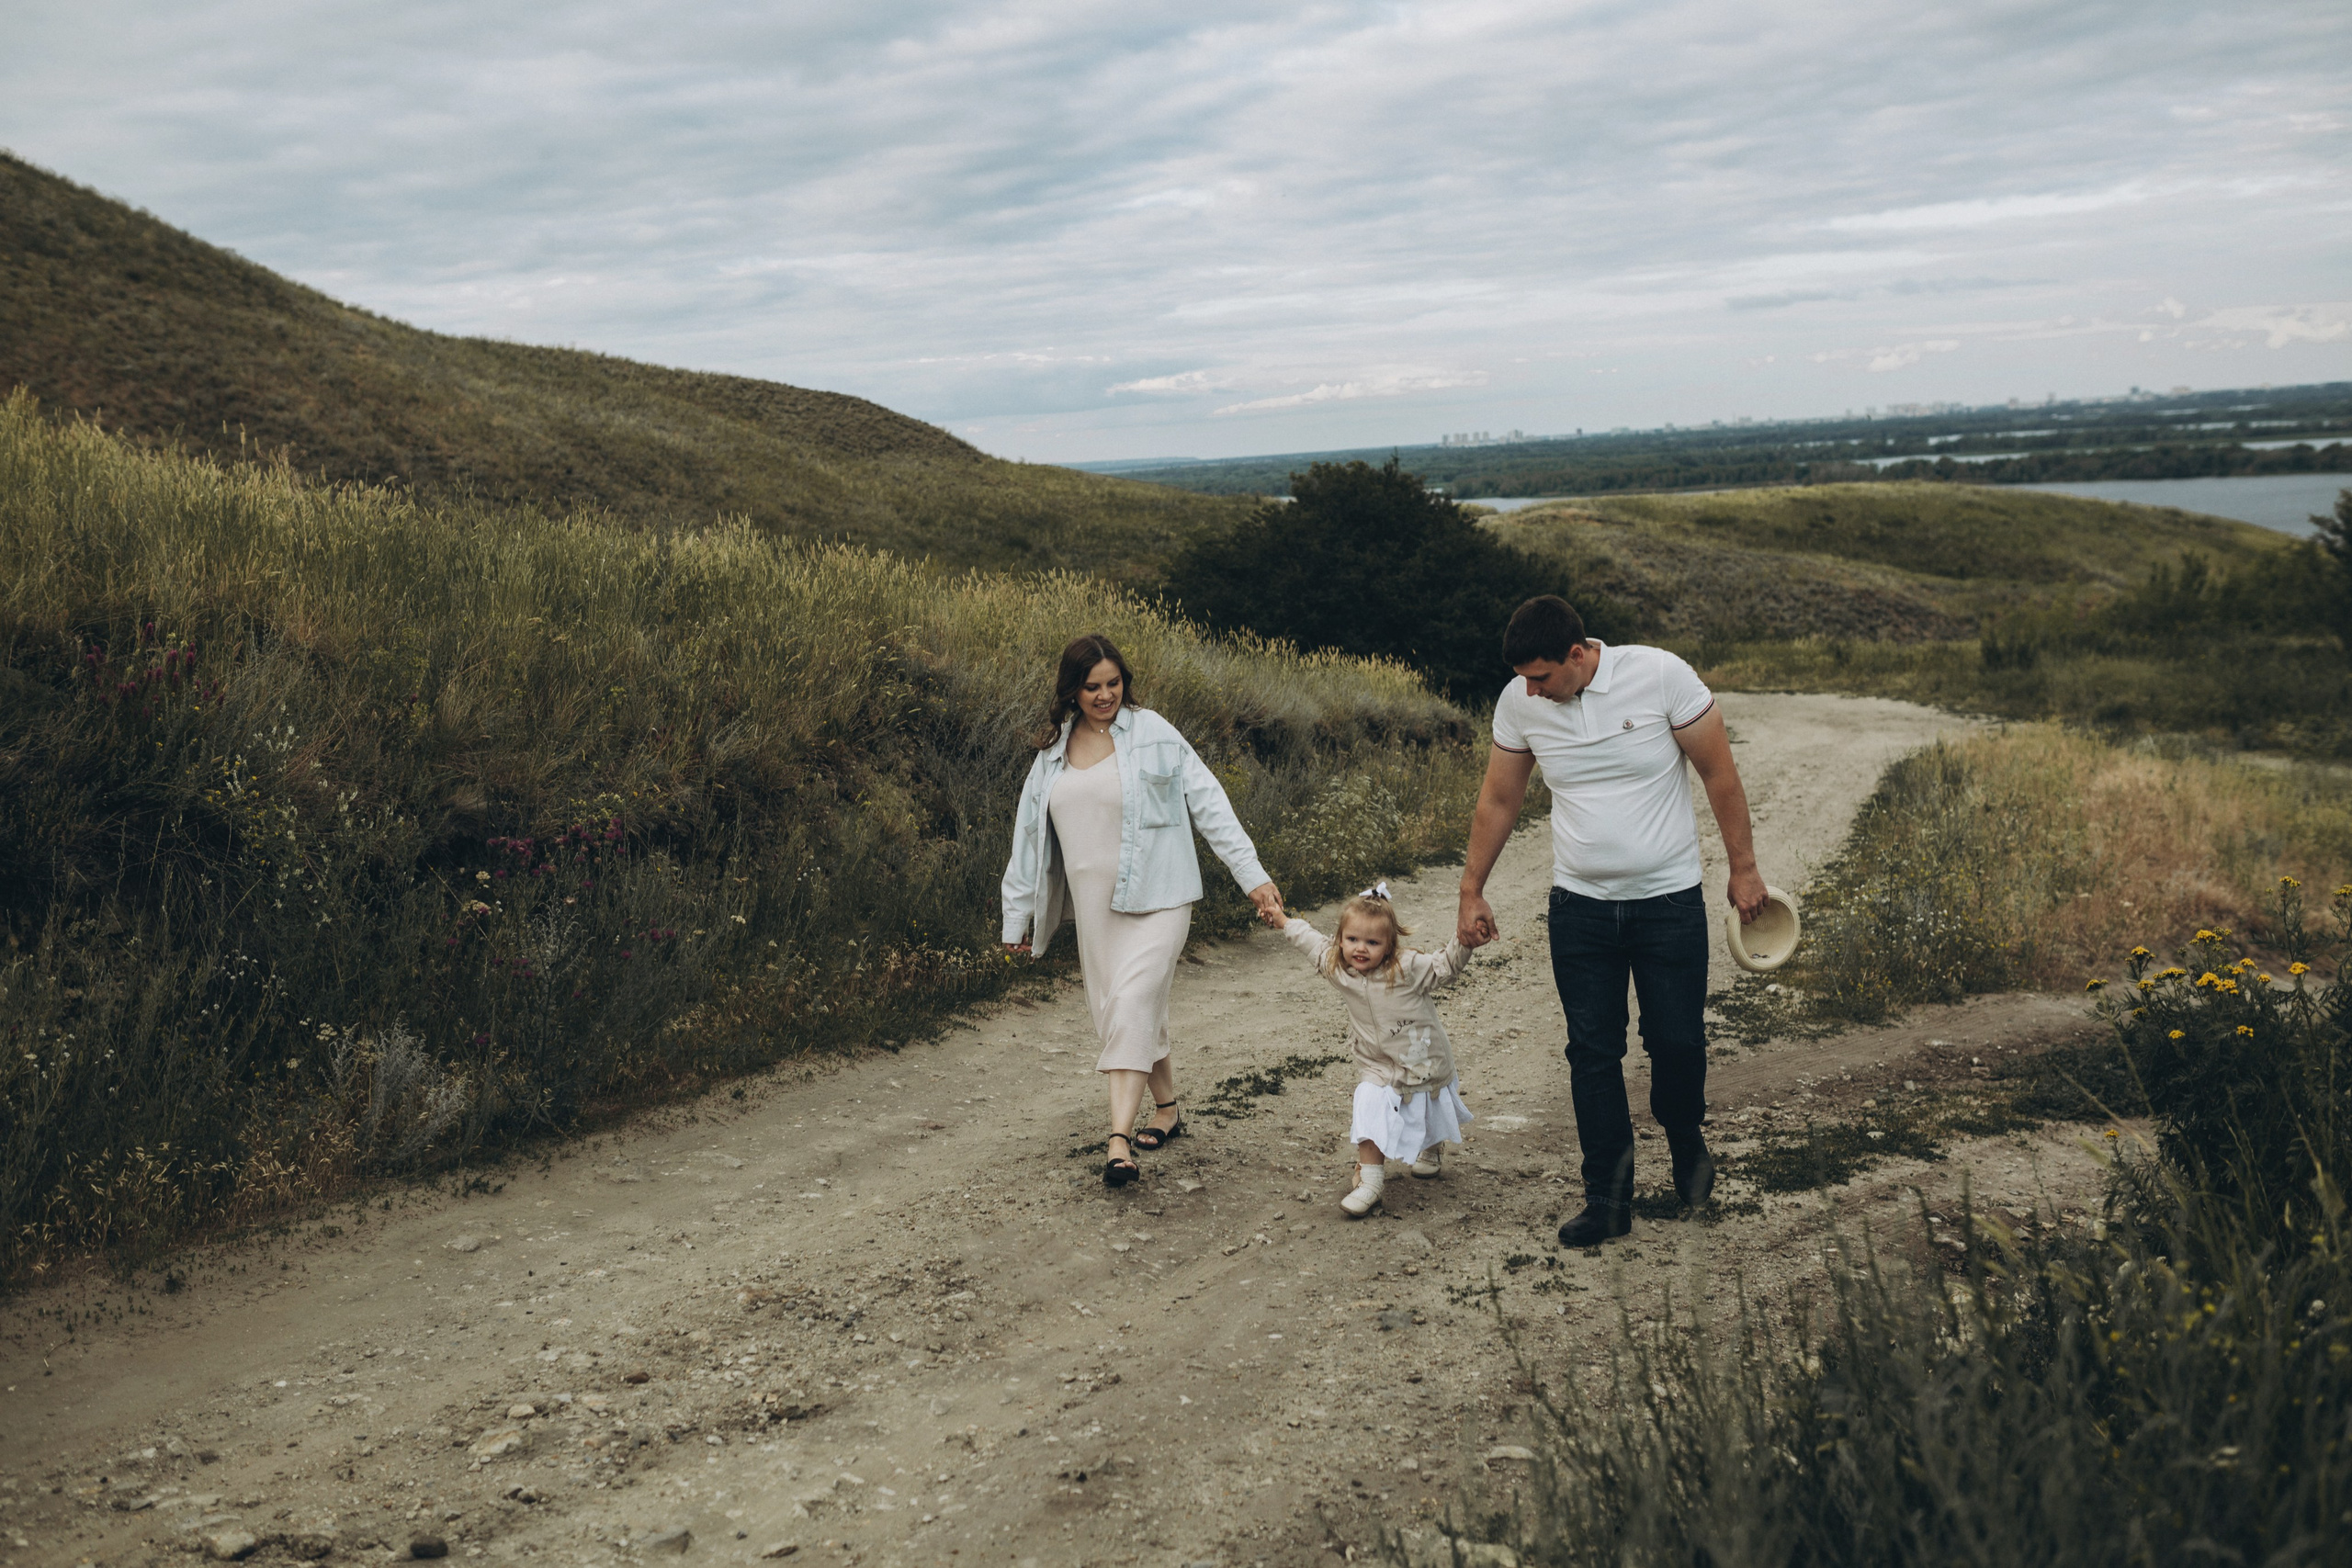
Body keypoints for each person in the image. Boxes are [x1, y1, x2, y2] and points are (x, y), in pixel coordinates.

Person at [1455, 596, 1767, 1247]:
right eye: (1522, 678)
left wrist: (1743, 869)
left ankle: (1685, 1139)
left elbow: (1720, 773)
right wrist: (1471, 888)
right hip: (1580, 910)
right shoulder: (1520, 701)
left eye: (1541, 676)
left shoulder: (1659, 676)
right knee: (1592, 1053)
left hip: (1669, 904)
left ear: (1578, 654)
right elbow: (1500, 796)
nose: (1530, 690)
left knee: (1677, 1043)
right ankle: (1608, 1197)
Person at [1001, 634, 1284, 1187]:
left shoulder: (1154, 733)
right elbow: (1028, 838)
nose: (1105, 695)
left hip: (1161, 894)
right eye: (1092, 687)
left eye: (1114, 683)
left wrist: (1253, 876)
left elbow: (1209, 802)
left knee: (1131, 1003)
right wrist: (1017, 919)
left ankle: (1117, 1142)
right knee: (1126, 1009)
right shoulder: (1051, 752)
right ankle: (1169, 1110)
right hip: (1096, 910)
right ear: (1072, 690)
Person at [1269, 882, 1476, 1217]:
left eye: (1372, 942)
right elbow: (1309, 940)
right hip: (1376, 1065)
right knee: (1367, 1101)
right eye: (1351, 940)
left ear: (1390, 945)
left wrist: (1464, 942)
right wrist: (1281, 919)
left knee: (1428, 1105)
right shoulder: (1338, 968)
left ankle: (1431, 1147)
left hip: (1420, 1059)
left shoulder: (1407, 968)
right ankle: (1371, 1183)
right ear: (1340, 939)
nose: (1360, 949)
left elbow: (1445, 966)